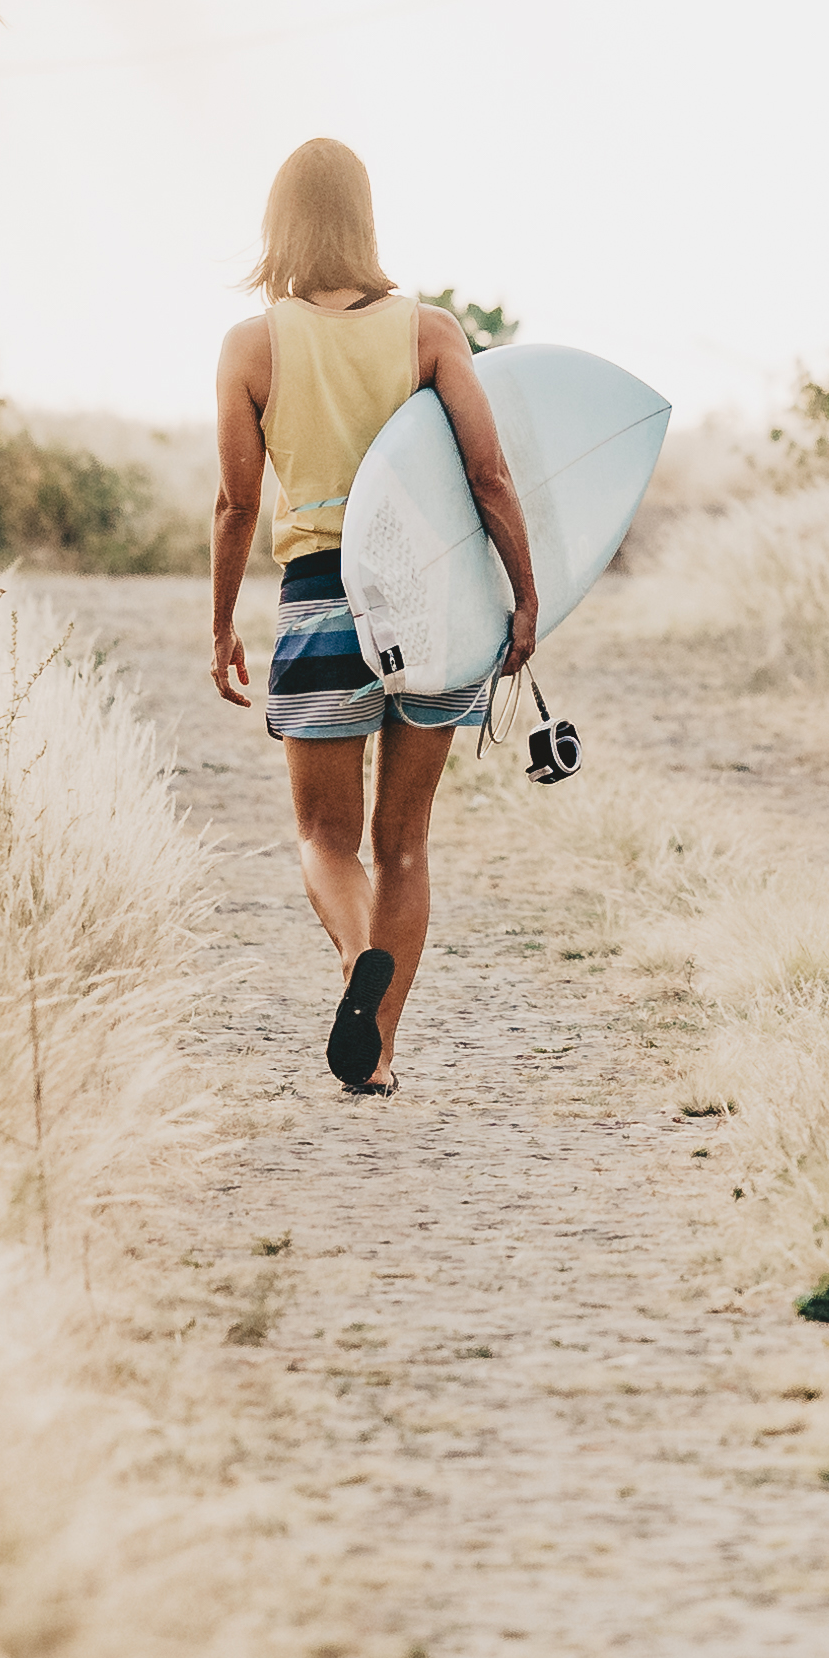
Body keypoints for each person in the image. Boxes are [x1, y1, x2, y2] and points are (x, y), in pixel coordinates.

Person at [206, 138, 538, 1095]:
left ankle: (360, 968)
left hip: (318, 598)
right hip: (432, 601)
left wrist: (221, 622)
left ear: (279, 224)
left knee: (324, 837)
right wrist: (522, 593)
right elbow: (488, 474)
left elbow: (235, 502)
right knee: (405, 844)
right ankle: (379, 1053)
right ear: (364, 219)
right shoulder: (428, 333)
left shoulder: (253, 344)